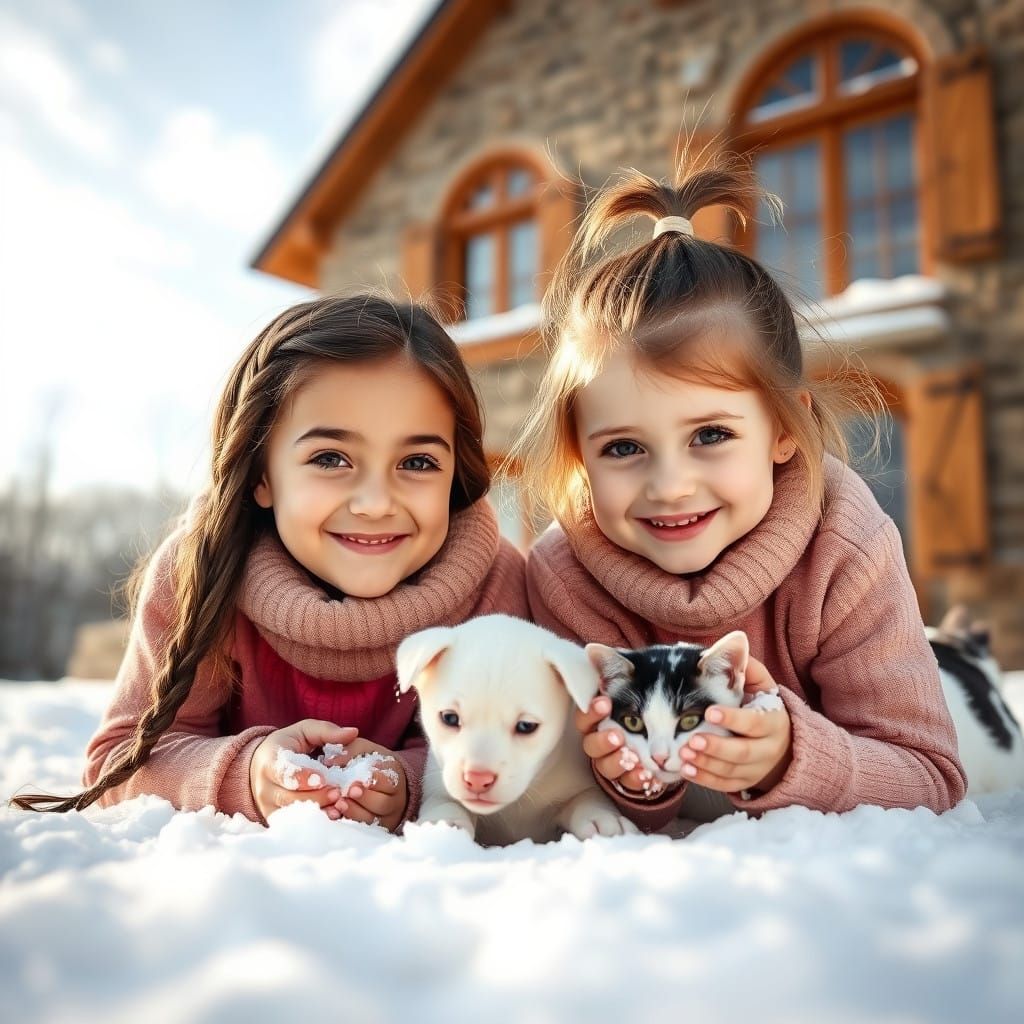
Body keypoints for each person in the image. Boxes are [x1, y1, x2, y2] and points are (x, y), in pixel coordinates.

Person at [512, 156, 966, 831]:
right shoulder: (564, 576)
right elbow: (564, 787)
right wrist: (630, 781)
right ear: (581, 455)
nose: (669, 486)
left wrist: (790, 759)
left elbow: (929, 774)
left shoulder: (844, 547)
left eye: (711, 435)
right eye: (624, 448)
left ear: (785, 428)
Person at [12, 295, 527, 830]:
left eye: (417, 462)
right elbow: (121, 761)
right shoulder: (202, 570)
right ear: (261, 475)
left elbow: (521, 751)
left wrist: (410, 782)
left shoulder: (494, 586)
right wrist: (248, 772)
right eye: (331, 459)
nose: (376, 502)